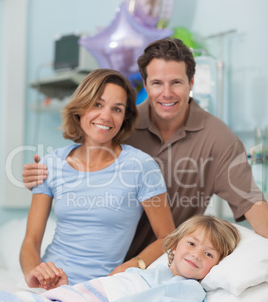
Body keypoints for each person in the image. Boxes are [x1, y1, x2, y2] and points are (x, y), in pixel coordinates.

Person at [22, 38, 268, 263]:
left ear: (191, 83)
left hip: (166, 263)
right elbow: (81, 165)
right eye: (157, 83)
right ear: (146, 84)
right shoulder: (119, 123)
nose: (167, 93)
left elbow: (253, 205)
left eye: (177, 83)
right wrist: (42, 175)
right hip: (106, 265)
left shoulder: (219, 140)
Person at [20, 69, 175, 290]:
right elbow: (31, 241)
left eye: (117, 109)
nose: (106, 116)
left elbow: (167, 237)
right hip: (48, 284)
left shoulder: (141, 166)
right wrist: (34, 275)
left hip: (102, 288)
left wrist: (133, 266)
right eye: (97, 104)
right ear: (80, 108)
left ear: (124, 118)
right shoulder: (51, 163)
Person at [51, 215, 240, 302]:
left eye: (208, 254)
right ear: (174, 246)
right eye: (191, 243)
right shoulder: (154, 272)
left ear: (216, 265)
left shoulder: (189, 289)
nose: (196, 254)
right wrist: (67, 291)